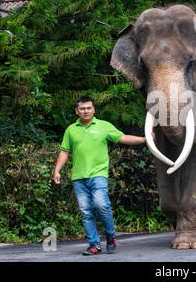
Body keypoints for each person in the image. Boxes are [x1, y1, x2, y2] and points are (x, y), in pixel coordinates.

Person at [53, 96, 146, 256]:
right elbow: (65, 151)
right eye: (82, 109)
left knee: (101, 204)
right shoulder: (71, 129)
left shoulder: (104, 126)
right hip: (78, 177)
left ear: (93, 109)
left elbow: (123, 137)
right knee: (86, 211)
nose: (85, 111)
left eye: (89, 108)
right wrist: (57, 170)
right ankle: (94, 245)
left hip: (98, 174)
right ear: (77, 111)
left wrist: (145, 139)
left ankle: (111, 236)